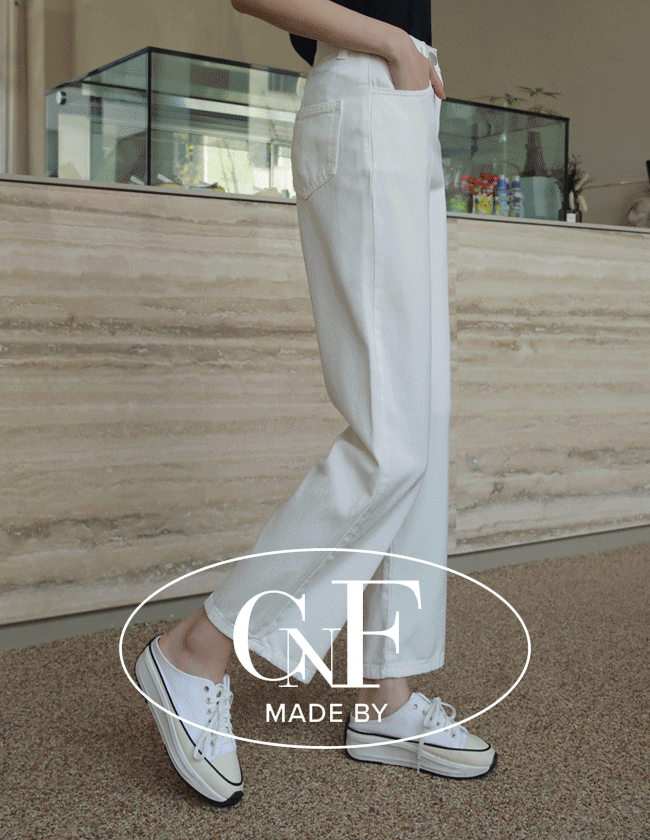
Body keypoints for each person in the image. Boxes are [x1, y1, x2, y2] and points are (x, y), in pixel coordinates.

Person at [135, 0, 497, 807]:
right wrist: (393, 46)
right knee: (392, 440)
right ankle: (197, 647)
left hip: (402, 93)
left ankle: (384, 698)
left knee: (422, 425)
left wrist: (411, 64)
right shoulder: (380, 55)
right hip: (370, 85)